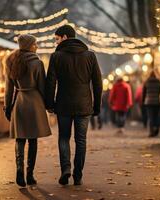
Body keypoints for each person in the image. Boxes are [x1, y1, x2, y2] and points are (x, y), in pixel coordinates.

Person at [45, 25, 102, 186]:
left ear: (64, 37)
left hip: (63, 104)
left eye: (57, 39)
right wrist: (96, 106)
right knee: (81, 140)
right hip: (84, 105)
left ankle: (65, 169)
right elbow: (98, 83)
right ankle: (78, 175)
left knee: (64, 137)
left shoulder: (56, 57)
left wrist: (49, 104)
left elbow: (51, 82)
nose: (56, 42)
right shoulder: (90, 56)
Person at [4, 34, 52, 187]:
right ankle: (30, 174)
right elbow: (42, 86)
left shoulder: (10, 61)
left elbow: (8, 88)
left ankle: (19, 171)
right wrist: (47, 104)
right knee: (33, 140)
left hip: (19, 101)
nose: (36, 46)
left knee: (20, 139)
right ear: (29, 45)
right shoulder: (37, 63)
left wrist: (7, 106)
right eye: (35, 44)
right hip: (34, 102)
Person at [142, 71, 160, 137]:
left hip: (148, 101)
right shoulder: (159, 82)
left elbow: (144, 93)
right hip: (156, 101)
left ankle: (151, 132)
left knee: (150, 117)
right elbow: (159, 91)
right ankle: (156, 129)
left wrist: (143, 101)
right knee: (156, 116)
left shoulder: (146, 82)